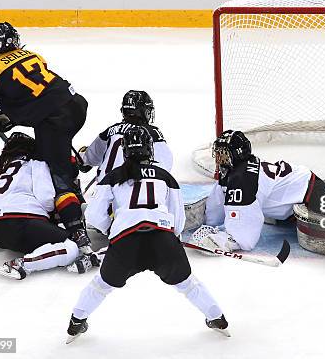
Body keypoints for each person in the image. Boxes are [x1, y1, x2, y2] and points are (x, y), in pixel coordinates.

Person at [66, 126, 228, 343]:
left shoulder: (113, 176)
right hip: (162, 239)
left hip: (125, 243)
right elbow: (178, 218)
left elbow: (94, 216)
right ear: (149, 149)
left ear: (125, 151)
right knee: (189, 284)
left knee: (100, 285)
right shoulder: (165, 176)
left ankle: (76, 322)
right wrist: (172, 237)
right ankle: (217, 318)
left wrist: (112, 230)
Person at [0, 22, 90, 250]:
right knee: (59, 152)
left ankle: (76, 230)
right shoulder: (33, 55)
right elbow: (40, 93)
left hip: (54, 120)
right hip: (76, 105)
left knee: (56, 172)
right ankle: (73, 173)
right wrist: (11, 116)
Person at [192, 130, 325, 265]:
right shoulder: (232, 173)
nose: (219, 160)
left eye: (224, 156)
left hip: (308, 189)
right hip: (288, 198)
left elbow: (245, 239)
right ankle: (284, 217)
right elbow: (215, 212)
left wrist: (226, 241)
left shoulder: (243, 179)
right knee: (286, 220)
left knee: (320, 231)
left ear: (237, 155)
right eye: (218, 154)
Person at [0, 132, 81, 280]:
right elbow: (46, 197)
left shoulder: (7, 167)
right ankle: (23, 264)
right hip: (22, 228)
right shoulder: (36, 163)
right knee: (71, 248)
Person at [80, 90, 173, 183]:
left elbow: (88, 160)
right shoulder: (153, 133)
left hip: (104, 189)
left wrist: (81, 155)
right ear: (143, 111)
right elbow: (165, 165)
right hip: (134, 189)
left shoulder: (109, 131)